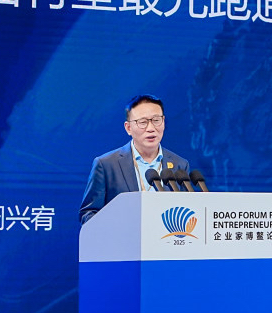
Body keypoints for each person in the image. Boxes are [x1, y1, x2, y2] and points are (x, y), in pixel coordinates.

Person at [78, 95, 201, 223]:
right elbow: (88, 213)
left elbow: (187, 211)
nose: (151, 128)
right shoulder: (106, 165)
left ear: (163, 122)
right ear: (128, 128)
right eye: (143, 122)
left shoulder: (180, 164)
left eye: (156, 120)